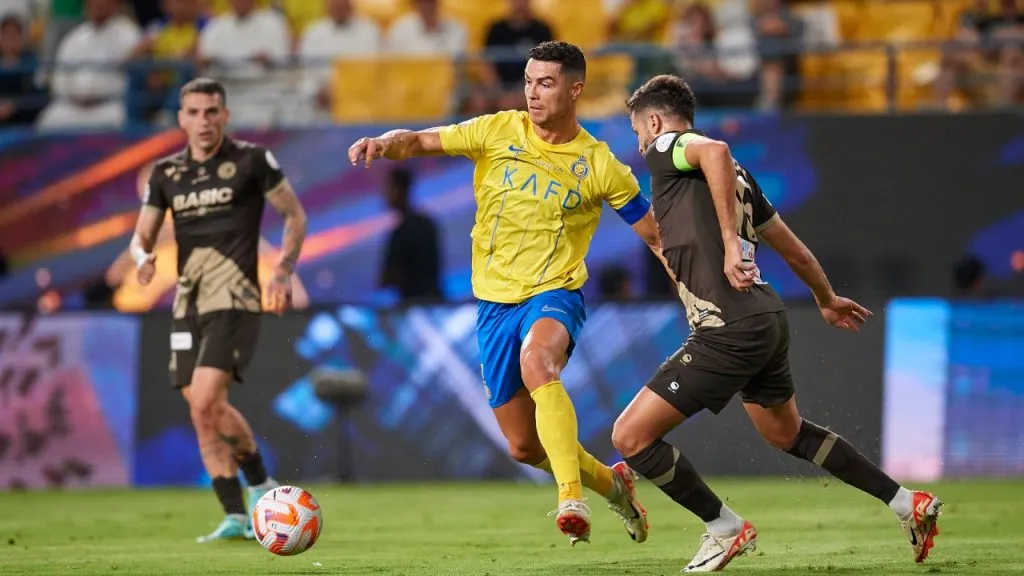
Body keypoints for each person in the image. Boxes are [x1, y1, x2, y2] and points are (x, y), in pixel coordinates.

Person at [612, 74, 942, 572]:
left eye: (639, 133)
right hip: (765, 318)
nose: (641, 145)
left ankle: (723, 527)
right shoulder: (740, 181)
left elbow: (716, 149)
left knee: (630, 437)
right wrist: (826, 299)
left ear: (654, 121)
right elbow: (795, 248)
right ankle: (906, 504)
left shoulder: (669, 148)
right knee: (786, 435)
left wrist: (729, 242)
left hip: (727, 329)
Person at [348, 41, 657, 546]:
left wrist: (698, 285)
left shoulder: (600, 165)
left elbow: (655, 236)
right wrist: (385, 141)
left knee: (539, 361)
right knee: (521, 445)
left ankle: (571, 497)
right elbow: (421, 141)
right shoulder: (496, 130)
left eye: (546, 83)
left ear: (575, 89)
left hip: (554, 293)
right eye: (529, 82)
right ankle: (612, 482)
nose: (533, 94)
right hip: (493, 304)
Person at [127, 77, 309, 543]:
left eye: (212, 112)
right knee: (203, 411)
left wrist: (283, 270)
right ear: (181, 118)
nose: (203, 121)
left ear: (225, 115)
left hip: (235, 298)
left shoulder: (251, 161)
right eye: (194, 112)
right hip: (187, 303)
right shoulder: (166, 174)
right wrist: (142, 258)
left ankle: (259, 485)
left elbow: (294, 215)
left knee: (207, 399)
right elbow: (141, 235)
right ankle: (238, 511)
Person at [379, 168, 443, 303]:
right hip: (434, 302)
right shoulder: (427, 223)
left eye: (389, 188)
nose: (385, 194)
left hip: (414, 307)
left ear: (399, 189)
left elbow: (389, 277)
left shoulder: (401, 232)